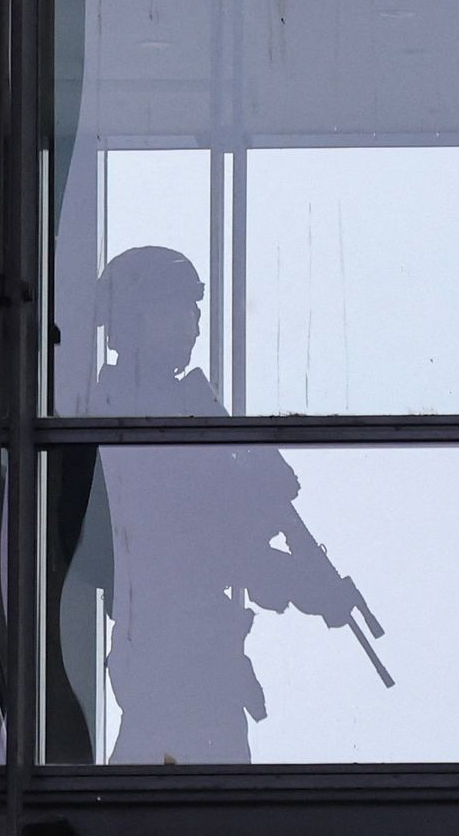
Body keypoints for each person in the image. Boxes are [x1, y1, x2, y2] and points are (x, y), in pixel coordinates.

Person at [90, 246, 356, 763]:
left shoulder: (164, 408)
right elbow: (208, 541)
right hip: (175, 649)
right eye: (179, 309)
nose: (193, 325)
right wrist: (301, 576)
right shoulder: (131, 415)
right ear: (138, 318)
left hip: (181, 646)